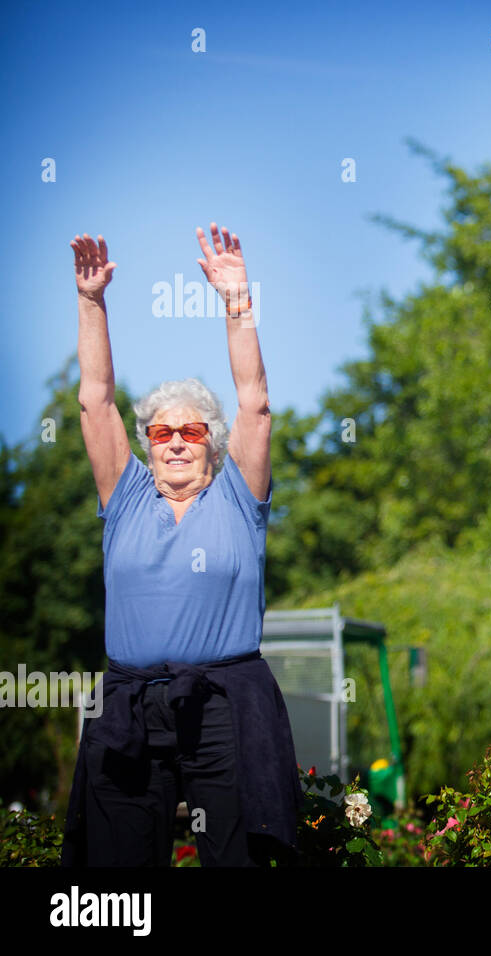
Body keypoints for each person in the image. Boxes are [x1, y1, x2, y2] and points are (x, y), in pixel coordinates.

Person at [62, 225, 300, 866]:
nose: (174, 441)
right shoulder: (127, 495)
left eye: (191, 431)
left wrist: (237, 301)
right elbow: (95, 400)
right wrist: (91, 302)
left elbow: (256, 403)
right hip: (129, 705)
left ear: (213, 444)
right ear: (145, 443)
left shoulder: (237, 497)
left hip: (223, 705)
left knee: (234, 858)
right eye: (161, 431)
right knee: (117, 881)